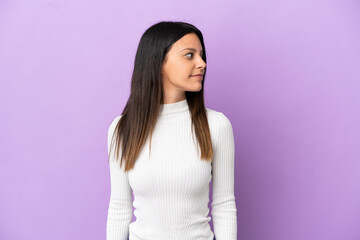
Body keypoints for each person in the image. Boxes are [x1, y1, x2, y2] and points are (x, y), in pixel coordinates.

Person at [106, 21, 237, 240]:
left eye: (201, 55)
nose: (202, 63)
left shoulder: (216, 126)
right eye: (189, 55)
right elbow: (119, 208)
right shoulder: (123, 129)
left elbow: (224, 204)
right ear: (158, 63)